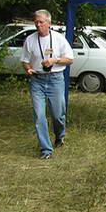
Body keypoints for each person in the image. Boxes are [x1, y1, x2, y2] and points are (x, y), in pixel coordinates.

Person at [20, 10, 74, 159]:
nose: (38, 25)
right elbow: (24, 61)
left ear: (49, 23)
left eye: (41, 22)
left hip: (55, 79)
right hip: (37, 80)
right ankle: (46, 149)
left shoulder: (59, 39)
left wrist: (54, 60)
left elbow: (70, 59)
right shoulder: (30, 40)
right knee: (39, 116)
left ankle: (60, 135)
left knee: (58, 114)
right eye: (36, 22)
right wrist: (28, 69)